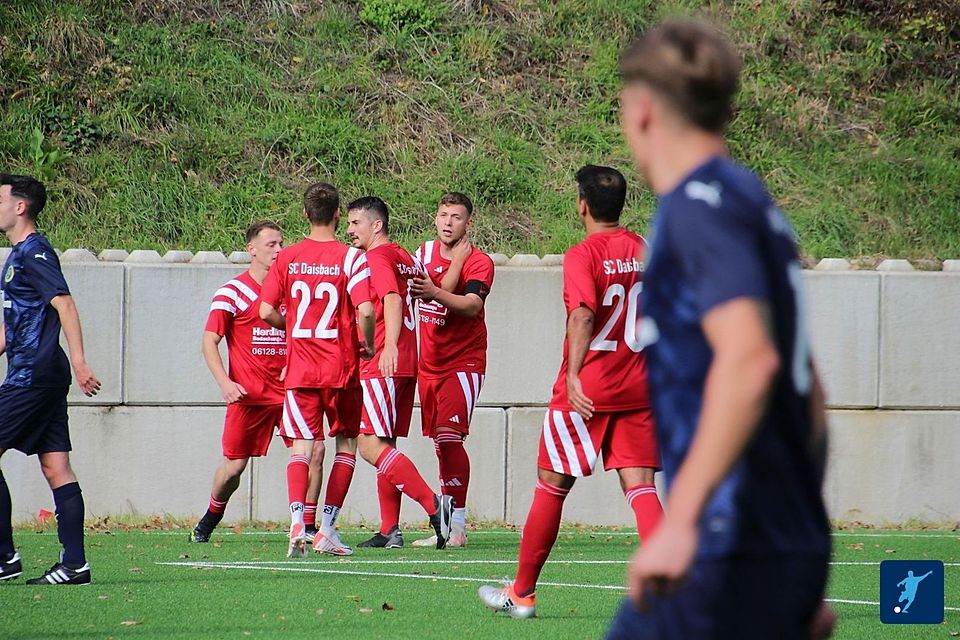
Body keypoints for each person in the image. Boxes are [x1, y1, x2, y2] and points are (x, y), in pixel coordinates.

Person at [606, 19, 833, 639]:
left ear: (644, 110)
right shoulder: (749, 199)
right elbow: (808, 394)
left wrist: (680, 523)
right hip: (773, 544)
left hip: (727, 540)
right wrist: (797, 558)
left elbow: (751, 360)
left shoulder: (695, 206)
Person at [478, 166, 663, 619]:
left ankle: (521, 594)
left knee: (551, 485)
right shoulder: (644, 249)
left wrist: (576, 375)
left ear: (581, 204)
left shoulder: (583, 254)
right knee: (641, 487)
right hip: (638, 386)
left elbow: (582, 315)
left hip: (588, 391)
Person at [259, 182, 375, 558]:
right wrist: (368, 342)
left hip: (300, 370)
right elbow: (367, 310)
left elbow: (264, 311)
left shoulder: (287, 257)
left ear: (305, 214)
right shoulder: (351, 258)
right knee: (346, 446)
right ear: (339, 216)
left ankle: (297, 522)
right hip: (340, 369)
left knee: (301, 450)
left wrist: (291, 328)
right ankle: (326, 528)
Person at [0, 174, 100, 585]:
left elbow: (66, 305)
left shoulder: (35, 253)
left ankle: (5, 559)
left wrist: (80, 361)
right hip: (37, 374)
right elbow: (9, 330)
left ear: (20, 206)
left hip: (34, 376)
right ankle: (74, 565)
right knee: (57, 466)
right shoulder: (16, 255)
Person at [346, 196, 453, 550]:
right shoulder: (404, 256)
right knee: (386, 443)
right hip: (408, 361)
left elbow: (391, 298)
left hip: (385, 361)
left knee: (368, 444)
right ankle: (390, 528)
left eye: (355, 223)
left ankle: (434, 505)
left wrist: (388, 345)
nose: (350, 230)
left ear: (376, 225)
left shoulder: (376, 256)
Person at [190, 221, 286, 543]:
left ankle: (310, 527)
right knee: (234, 469)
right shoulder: (232, 291)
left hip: (289, 393)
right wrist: (225, 383)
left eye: (281, 244)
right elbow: (209, 340)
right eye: (271, 244)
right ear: (252, 249)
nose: (278, 250)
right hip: (249, 396)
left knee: (313, 452)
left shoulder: (290, 289)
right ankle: (208, 520)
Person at [408, 192, 494, 548]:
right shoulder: (422, 255)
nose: (448, 222)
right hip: (427, 365)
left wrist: (435, 289)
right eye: (443, 215)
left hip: (464, 361)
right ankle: (446, 524)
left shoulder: (480, 261)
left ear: (468, 223)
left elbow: (471, 305)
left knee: (449, 437)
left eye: (456, 217)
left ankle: (457, 525)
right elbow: (419, 295)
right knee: (440, 446)